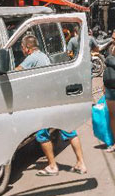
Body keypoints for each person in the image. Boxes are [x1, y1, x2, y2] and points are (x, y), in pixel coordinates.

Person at [16, 35, 87, 176]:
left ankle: (52, 166)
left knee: (42, 134)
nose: (22, 50)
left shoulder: (32, 58)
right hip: (56, 97)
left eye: (22, 48)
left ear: (27, 48)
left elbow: (16, 71)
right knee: (69, 130)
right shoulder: (43, 56)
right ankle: (81, 163)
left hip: (45, 102)